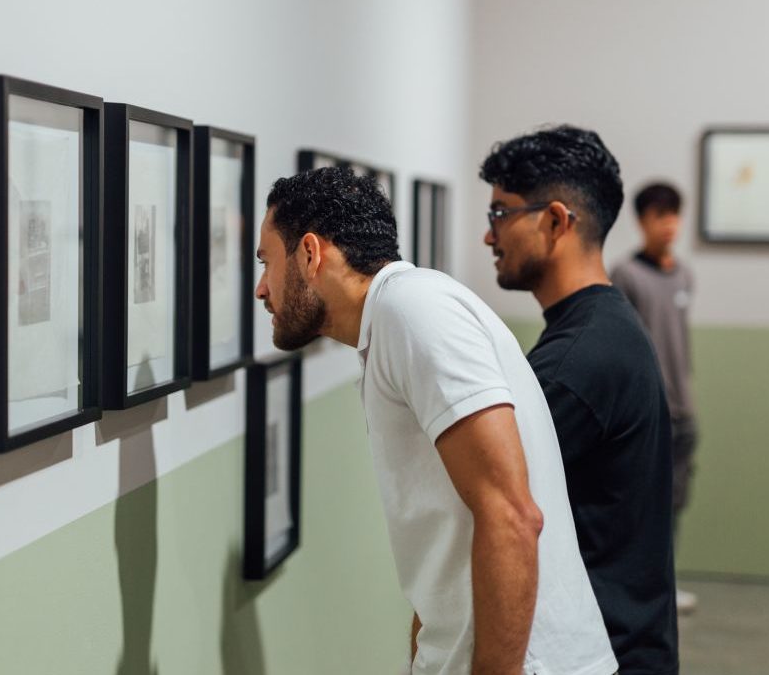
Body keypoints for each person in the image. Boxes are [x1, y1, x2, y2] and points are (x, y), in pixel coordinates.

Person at [256, 167, 616, 675]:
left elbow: (512, 514)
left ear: (310, 254)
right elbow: (444, 542)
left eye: (267, 262)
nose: (259, 289)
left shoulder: (413, 310)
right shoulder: (391, 320)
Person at [479, 126, 679, 675]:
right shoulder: (603, 329)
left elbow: (489, 509)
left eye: (501, 213)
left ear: (554, 221)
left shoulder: (577, 362)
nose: (488, 236)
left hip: (605, 655)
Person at [609, 182, 698, 615]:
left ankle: (667, 581)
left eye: (674, 215)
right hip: (649, 409)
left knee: (676, 499)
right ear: (642, 221)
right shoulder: (626, 275)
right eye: (660, 216)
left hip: (685, 408)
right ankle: (640, 585)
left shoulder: (684, 275)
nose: (669, 225)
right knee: (643, 499)